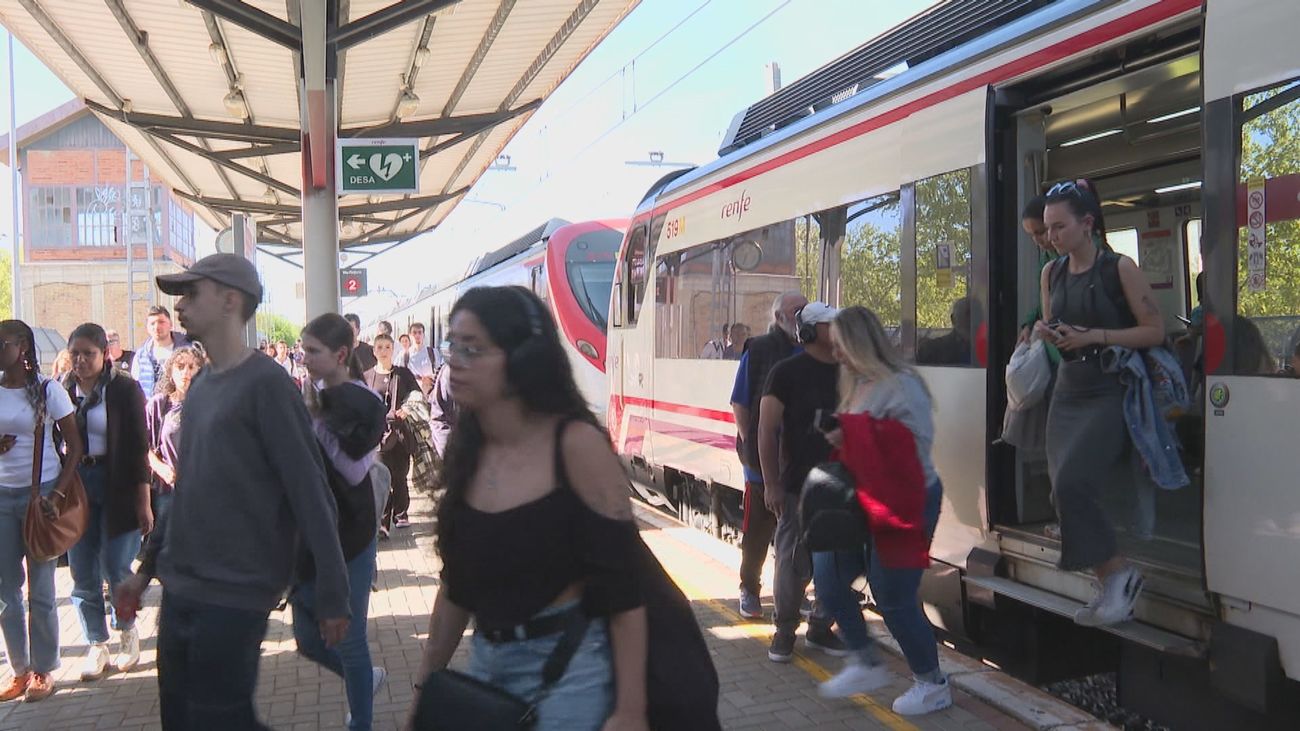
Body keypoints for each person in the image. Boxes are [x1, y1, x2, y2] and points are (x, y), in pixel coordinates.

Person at [116, 254, 350, 729]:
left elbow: (311, 493)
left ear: (229, 300)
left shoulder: (267, 386)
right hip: (181, 588)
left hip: (235, 593)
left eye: (191, 293)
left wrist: (333, 593)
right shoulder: (200, 387)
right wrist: (143, 572)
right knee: (182, 718)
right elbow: (187, 493)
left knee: (218, 719)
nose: (178, 306)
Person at [406, 286, 649, 731]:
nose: (454, 360)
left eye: (472, 348)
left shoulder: (576, 446)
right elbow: (457, 585)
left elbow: (624, 591)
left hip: (567, 672)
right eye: (452, 346)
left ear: (521, 359)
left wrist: (630, 711)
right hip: (486, 667)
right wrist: (424, 689)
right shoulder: (469, 448)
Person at [1033, 179, 1165, 626]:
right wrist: (1044, 334)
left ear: (1087, 223)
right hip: (1068, 388)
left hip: (1112, 388)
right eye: (1048, 229)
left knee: (1072, 483)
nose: (1052, 237)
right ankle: (1111, 580)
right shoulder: (1049, 273)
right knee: (1060, 491)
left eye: (1059, 227)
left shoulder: (1118, 268)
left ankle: (1119, 576)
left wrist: (1095, 336)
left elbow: (1155, 330)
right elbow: (1051, 324)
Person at [812, 306, 951, 715]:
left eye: (840, 345)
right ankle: (866, 658)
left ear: (860, 342)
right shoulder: (858, 383)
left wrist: (848, 435)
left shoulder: (902, 385)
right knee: (828, 574)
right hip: (863, 498)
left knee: (893, 596)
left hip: (906, 500)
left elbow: (910, 450)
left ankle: (932, 683)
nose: (834, 353)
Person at [297, 314, 387, 731]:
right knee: (306, 636)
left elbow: (353, 471)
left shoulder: (365, 402)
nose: (304, 357)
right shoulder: (310, 394)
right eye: (302, 349)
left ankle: (361, 721)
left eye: (312, 351)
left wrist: (315, 422)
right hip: (311, 534)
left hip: (351, 533)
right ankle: (364, 681)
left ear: (340, 355)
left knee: (349, 639)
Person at [61, 323, 154, 681]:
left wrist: (143, 501)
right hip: (77, 486)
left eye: (89, 353)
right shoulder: (62, 389)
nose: (81, 360)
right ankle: (95, 643)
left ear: (106, 354)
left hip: (117, 483)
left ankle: (127, 630)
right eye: (76, 354)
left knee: (116, 565)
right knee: (82, 570)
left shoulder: (123, 389)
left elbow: (137, 448)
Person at [0, 319, 83, 703]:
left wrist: (58, 495)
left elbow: (74, 447)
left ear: (23, 347)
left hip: (41, 496)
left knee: (42, 589)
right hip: (1, 496)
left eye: (4, 343)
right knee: (4, 589)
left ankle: (43, 670)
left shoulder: (48, 391)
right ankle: (18, 669)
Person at [758, 301, 844, 661]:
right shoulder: (785, 373)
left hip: (839, 483)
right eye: (829, 325)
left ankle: (821, 628)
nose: (836, 330)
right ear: (809, 331)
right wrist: (772, 483)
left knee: (834, 559)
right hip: (797, 485)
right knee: (793, 560)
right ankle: (784, 630)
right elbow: (766, 430)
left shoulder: (848, 371)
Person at [730, 291, 806, 619]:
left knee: (794, 532)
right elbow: (740, 402)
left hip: (798, 460)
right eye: (796, 310)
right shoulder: (758, 350)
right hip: (761, 464)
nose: (802, 316)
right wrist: (752, 444)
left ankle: (790, 594)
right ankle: (749, 588)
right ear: (779, 318)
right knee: (758, 529)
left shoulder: (811, 349)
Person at [362, 333, 420, 536]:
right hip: (378, 436)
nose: (384, 351)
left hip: (400, 434)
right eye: (380, 347)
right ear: (374, 351)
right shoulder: (367, 376)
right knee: (380, 476)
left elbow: (417, 395)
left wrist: (406, 410)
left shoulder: (403, 374)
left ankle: (401, 512)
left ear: (393, 349)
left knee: (399, 475)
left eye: (387, 347)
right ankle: (383, 522)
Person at [146, 346, 205, 528]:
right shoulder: (160, 405)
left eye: (191, 367)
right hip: (169, 491)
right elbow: (143, 445)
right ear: (171, 371)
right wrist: (161, 468)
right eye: (180, 366)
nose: (185, 372)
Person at [131, 305, 191, 398]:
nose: (157, 327)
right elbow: (135, 386)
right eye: (152, 323)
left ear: (170, 324)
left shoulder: (188, 350)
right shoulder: (141, 356)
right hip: (151, 409)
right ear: (147, 327)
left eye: (161, 322)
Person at [917, 297, 980, 365]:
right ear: (953, 319)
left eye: (976, 314)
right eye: (968, 314)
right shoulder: (932, 349)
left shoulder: (989, 349)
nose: (971, 320)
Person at [400, 322, 441, 395]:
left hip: (430, 394)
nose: (417, 335)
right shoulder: (404, 355)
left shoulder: (433, 353)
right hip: (412, 396)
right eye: (414, 333)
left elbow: (440, 373)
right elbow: (400, 376)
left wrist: (431, 378)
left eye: (420, 333)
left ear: (423, 335)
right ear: (410, 335)